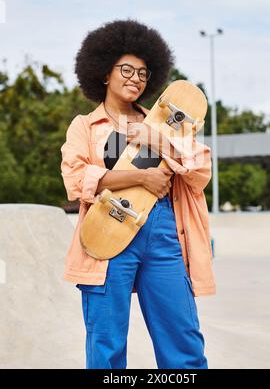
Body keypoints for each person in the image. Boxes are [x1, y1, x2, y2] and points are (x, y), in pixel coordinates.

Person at [60, 19, 216, 369]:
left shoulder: (165, 123)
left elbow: (200, 169)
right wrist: (141, 178)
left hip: (163, 234)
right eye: (126, 69)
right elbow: (75, 178)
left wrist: (159, 141)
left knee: (184, 340)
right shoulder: (85, 126)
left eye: (143, 73)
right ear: (104, 73)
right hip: (107, 232)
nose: (135, 78)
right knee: (106, 345)